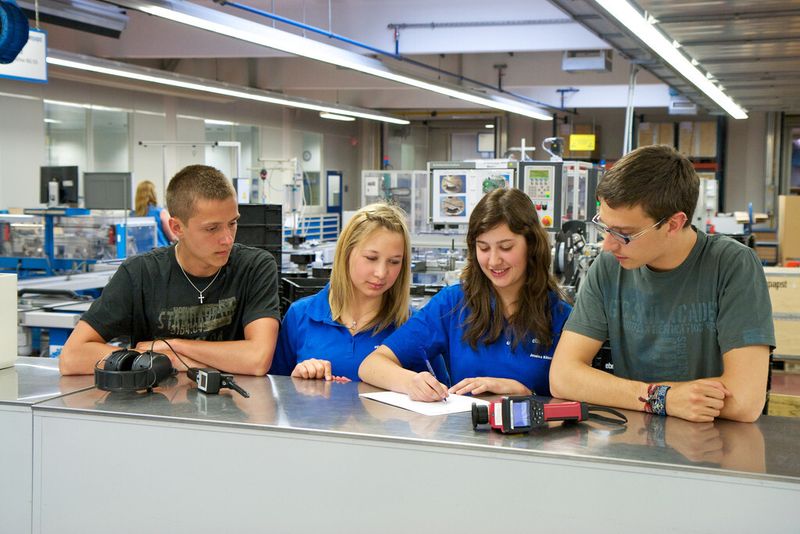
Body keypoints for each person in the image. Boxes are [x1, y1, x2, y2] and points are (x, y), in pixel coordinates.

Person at [549, 144, 775, 423]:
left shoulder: (732, 265)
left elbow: (745, 401)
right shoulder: (608, 268)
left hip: (711, 446)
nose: (607, 245)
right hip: (632, 440)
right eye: (605, 227)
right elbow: (562, 377)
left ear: (673, 223)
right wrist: (662, 398)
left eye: (624, 234)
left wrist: (621, 393)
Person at [59, 164, 280, 376]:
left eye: (232, 223)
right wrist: (166, 360)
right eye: (212, 228)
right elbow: (72, 357)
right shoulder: (140, 274)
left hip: (233, 407)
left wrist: (173, 348)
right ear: (176, 228)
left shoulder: (254, 267)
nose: (227, 239)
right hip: (155, 407)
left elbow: (257, 359)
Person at [358, 188, 572, 401]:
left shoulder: (561, 316)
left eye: (506, 247)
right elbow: (372, 365)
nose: (494, 260)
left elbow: (579, 407)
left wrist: (528, 395)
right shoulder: (454, 303)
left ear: (532, 245)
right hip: (465, 432)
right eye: (484, 248)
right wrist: (410, 382)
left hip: (538, 433)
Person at [271, 203, 415, 381]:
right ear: (346, 253)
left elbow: (438, 395)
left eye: (394, 262)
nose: (381, 273)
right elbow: (275, 392)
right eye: (371, 258)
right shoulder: (300, 316)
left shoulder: (412, 325)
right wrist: (297, 381)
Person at [134, 180, 176, 247]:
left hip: (140, 253)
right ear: (153, 194)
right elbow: (173, 237)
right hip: (160, 252)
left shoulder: (133, 215)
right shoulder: (160, 212)